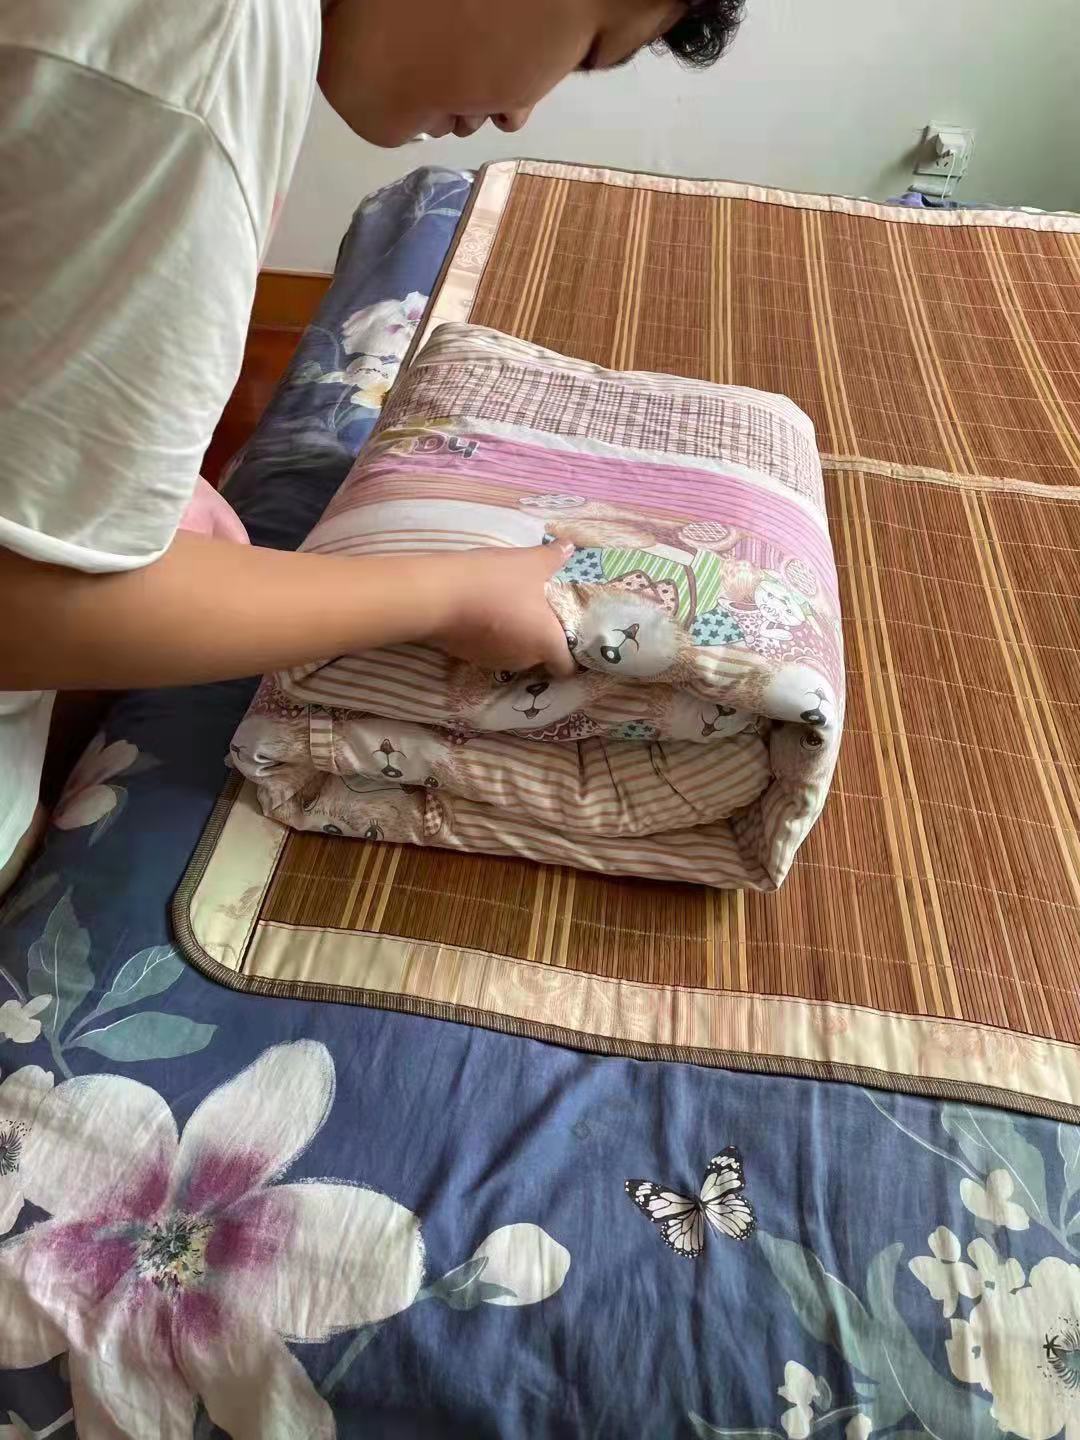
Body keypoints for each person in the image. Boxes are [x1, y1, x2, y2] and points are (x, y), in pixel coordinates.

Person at [0, 0, 743, 879]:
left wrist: (116, 473)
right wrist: (451, 596)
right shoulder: (206, 54)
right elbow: (22, 609)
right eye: (588, 47)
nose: (519, 114)